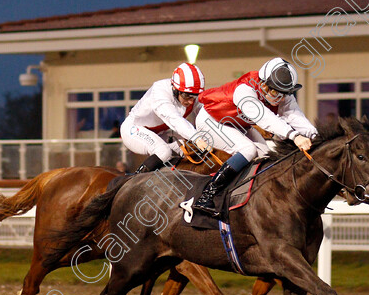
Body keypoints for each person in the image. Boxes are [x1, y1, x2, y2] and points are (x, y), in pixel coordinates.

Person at [192, 57, 316, 216]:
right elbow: (264, 118)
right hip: (210, 119)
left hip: (237, 123)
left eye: (285, 93)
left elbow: (296, 117)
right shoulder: (244, 90)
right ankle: (207, 195)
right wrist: (295, 136)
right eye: (275, 91)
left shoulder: (281, 93)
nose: (281, 98)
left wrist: (316, 136)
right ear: (263, 84)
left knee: (266, 155)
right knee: (248, 149)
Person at [120, 62, 209, 173]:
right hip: (133, 129)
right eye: (187, 96)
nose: (191, 101)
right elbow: (174, 119)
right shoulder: (160, 91)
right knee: (163, 152)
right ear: (175, 89)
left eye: (195, 96)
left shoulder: (188, 94)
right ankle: (134, 180)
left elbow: (207, 114)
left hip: (161, 132)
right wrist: (196, 137)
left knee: (189, 148)